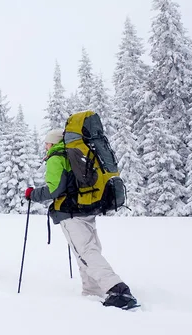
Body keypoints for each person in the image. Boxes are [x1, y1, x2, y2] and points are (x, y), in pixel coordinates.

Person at [26, 129, 138, 309]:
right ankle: (92, 291)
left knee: (86, 252)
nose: (45, 147)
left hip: (71, 214)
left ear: (53, 143)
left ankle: (118, 290)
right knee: (87, 251)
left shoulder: (56, 158)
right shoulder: (76, 154)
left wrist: (33, 194)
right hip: (86, 209)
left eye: (47, 143)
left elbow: (54, 190)